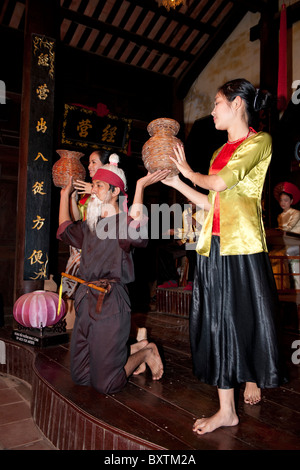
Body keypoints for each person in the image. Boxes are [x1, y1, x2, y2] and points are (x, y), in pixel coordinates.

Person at [161, 78, 283, 434]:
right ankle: (226, 409)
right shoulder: (216, 153)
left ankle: (252, 376)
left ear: (238, 105)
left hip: (242, 247)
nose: (212, 110)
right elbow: (208, 200)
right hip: (213, 246)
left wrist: (188, 172)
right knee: (216, 322)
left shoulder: (260, 142)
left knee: (244, 319)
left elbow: (220, 183)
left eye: (217, 103)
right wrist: (178, 184)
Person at [57, 156, 168, 394]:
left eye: (99, 186)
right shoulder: (90, 224)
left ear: (115, 191)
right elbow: (65, 229)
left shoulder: (123, 223)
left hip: (110, 303)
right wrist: (64, 195)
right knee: (81, 376)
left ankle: (146, 352)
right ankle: (138, 348)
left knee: (106, 384)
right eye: (93, 184)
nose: (93, 190)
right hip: (85, 300)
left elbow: (138, 231)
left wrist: (139, 187)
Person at [62, 150, 110, 299]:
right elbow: (78, 219)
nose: (89, 166)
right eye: (89, 162)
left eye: (93, 162)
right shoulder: (86, 189)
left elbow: (114, 214)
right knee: (76, 286)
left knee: (92, 285)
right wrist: (71, 198)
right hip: (82, 241)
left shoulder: (112, 188)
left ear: (106, 166)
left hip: (98, 243)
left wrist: (95, 192)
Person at [270, 182, 300, 288]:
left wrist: (279, 230)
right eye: (281, 200)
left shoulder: (296, 213)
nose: (283, 202)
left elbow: (289, 227)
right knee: (272, 254)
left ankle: (285, 286)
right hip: (286, 243)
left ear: (291, 201)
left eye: (286, 200)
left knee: (280, 255)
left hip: (296, 243)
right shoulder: (280, 216)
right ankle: (279, 287)